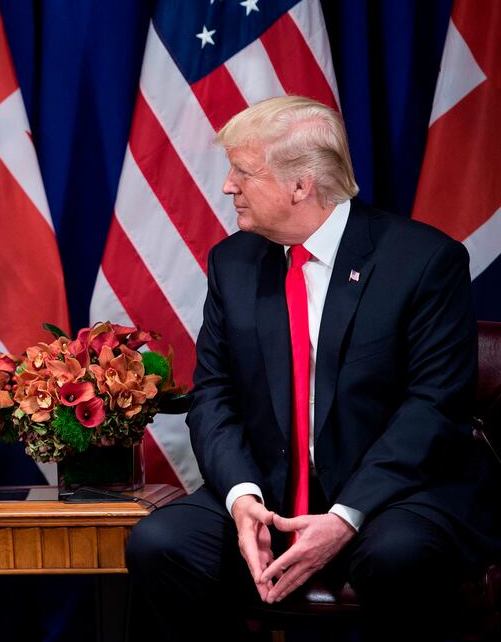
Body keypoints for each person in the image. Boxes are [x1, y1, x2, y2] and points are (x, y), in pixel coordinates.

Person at [126, 95, 500, 639]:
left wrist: (345, 516)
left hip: (392, 496)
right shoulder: (233, 264)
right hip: (269, 491)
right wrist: (241, 498)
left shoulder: (422, 262)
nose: (228, 185)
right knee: (160, 545)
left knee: (400, 556)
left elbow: (434, 408)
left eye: (242, 171)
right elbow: (213, 397)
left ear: (301, 185)